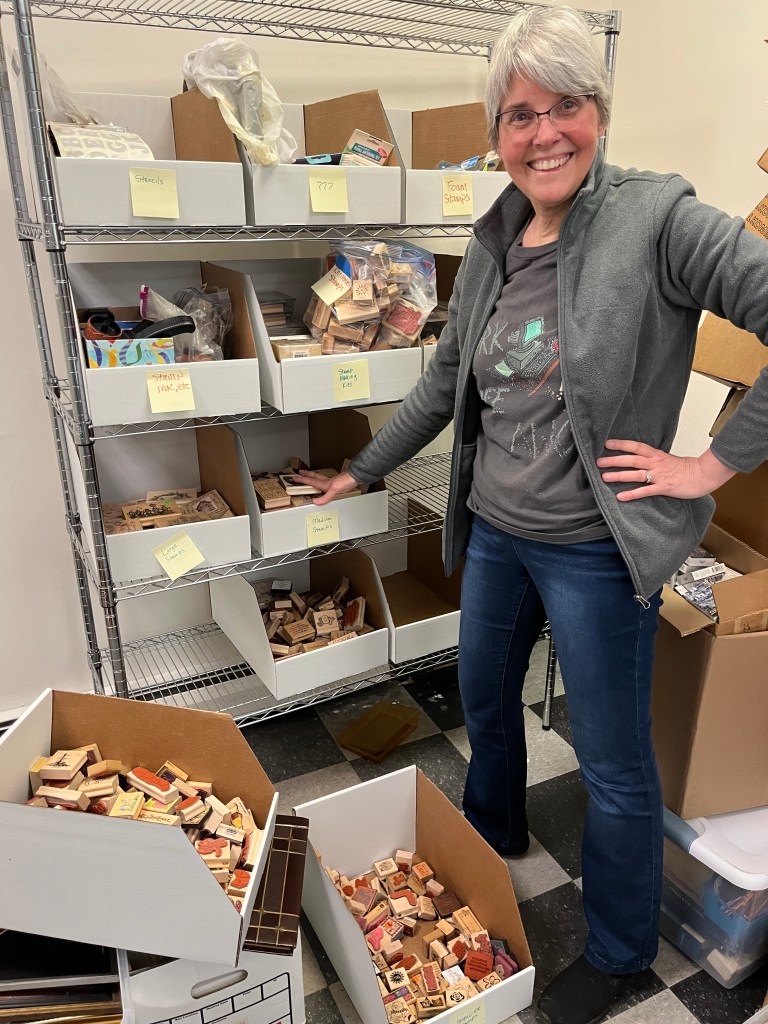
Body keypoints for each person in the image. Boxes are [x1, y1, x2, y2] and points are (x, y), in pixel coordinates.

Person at [294, 7, 768, 1023]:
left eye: (567, 106)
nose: (544, 132)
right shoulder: (498, 234)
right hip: (499, 536)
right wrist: (360, 467)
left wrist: (711, 465)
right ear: (496, 130)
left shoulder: (659, 218)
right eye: (520, 113)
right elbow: (442, 384)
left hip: (598, 553)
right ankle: (493, 836)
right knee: (486, 699)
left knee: (611, 764)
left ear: (600, 112)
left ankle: (620, 950)